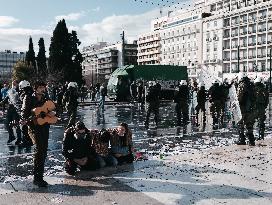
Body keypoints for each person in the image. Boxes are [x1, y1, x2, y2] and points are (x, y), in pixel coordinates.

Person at [21, 81, 50, 187]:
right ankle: (37, 178)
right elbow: (24, 113)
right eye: (41, 87)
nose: (43, 89)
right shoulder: (28, 97)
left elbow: (52, 109)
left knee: (44, 151)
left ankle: (40, 175)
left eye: (44, 87)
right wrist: (25, 119)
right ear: (36, 88)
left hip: (45, 127)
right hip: (34, 128)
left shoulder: (46, 98)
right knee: (39, 150)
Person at [236, 72, 256, 146]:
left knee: (240, 123)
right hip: (250, 107)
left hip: (242, 107)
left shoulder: (242, 85)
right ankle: (251, 140)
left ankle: (242, 139)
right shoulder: (251, 84)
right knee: (249, 124)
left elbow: (239, 97)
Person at [18, 80, 34, 147]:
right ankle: (30, 141)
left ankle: (27, 141)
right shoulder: (33, 92)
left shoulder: (26, 95)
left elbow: (25, 106)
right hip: (33, 114)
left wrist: (23, 116)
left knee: (24, 128)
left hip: (27, 114)